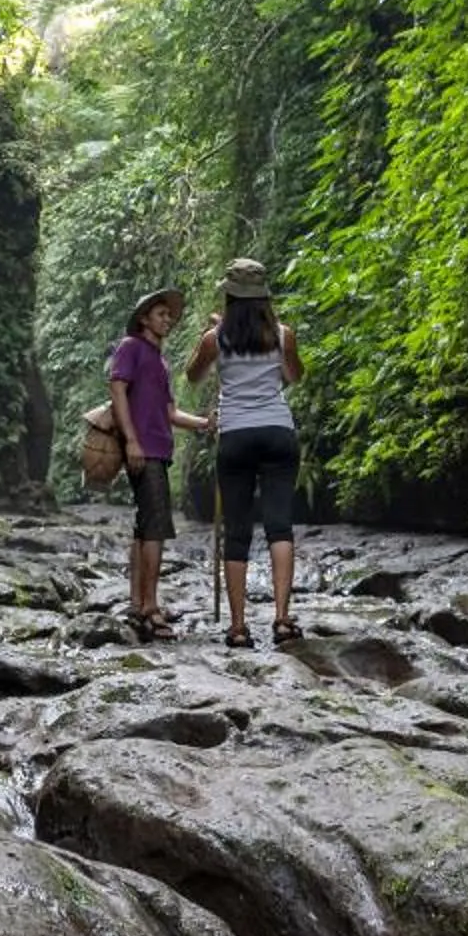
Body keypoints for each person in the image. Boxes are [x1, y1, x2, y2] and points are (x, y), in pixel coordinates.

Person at [186, 256, 303, 647]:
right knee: (279, 526)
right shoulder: (283, 335)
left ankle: (238, 627)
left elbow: (193, 376)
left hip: (236, 435)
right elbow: (294, 376)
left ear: (230, 297)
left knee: (237, 532)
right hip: (278, 432)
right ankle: (282, 619)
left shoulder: (215, 339)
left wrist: (212, 334)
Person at [107, 286, 212, 641]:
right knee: (155, 527)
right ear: (144, 319)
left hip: (158, 450)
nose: (168, 320)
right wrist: (131, 440)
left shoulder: (160, 361)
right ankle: (151, 608)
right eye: (161, 314)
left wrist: (205, 423)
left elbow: (170, 413)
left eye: (169, 315)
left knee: (144, 526)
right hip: (143, 449)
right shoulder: (131, 347)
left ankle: (138, 604)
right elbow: (117, 390)